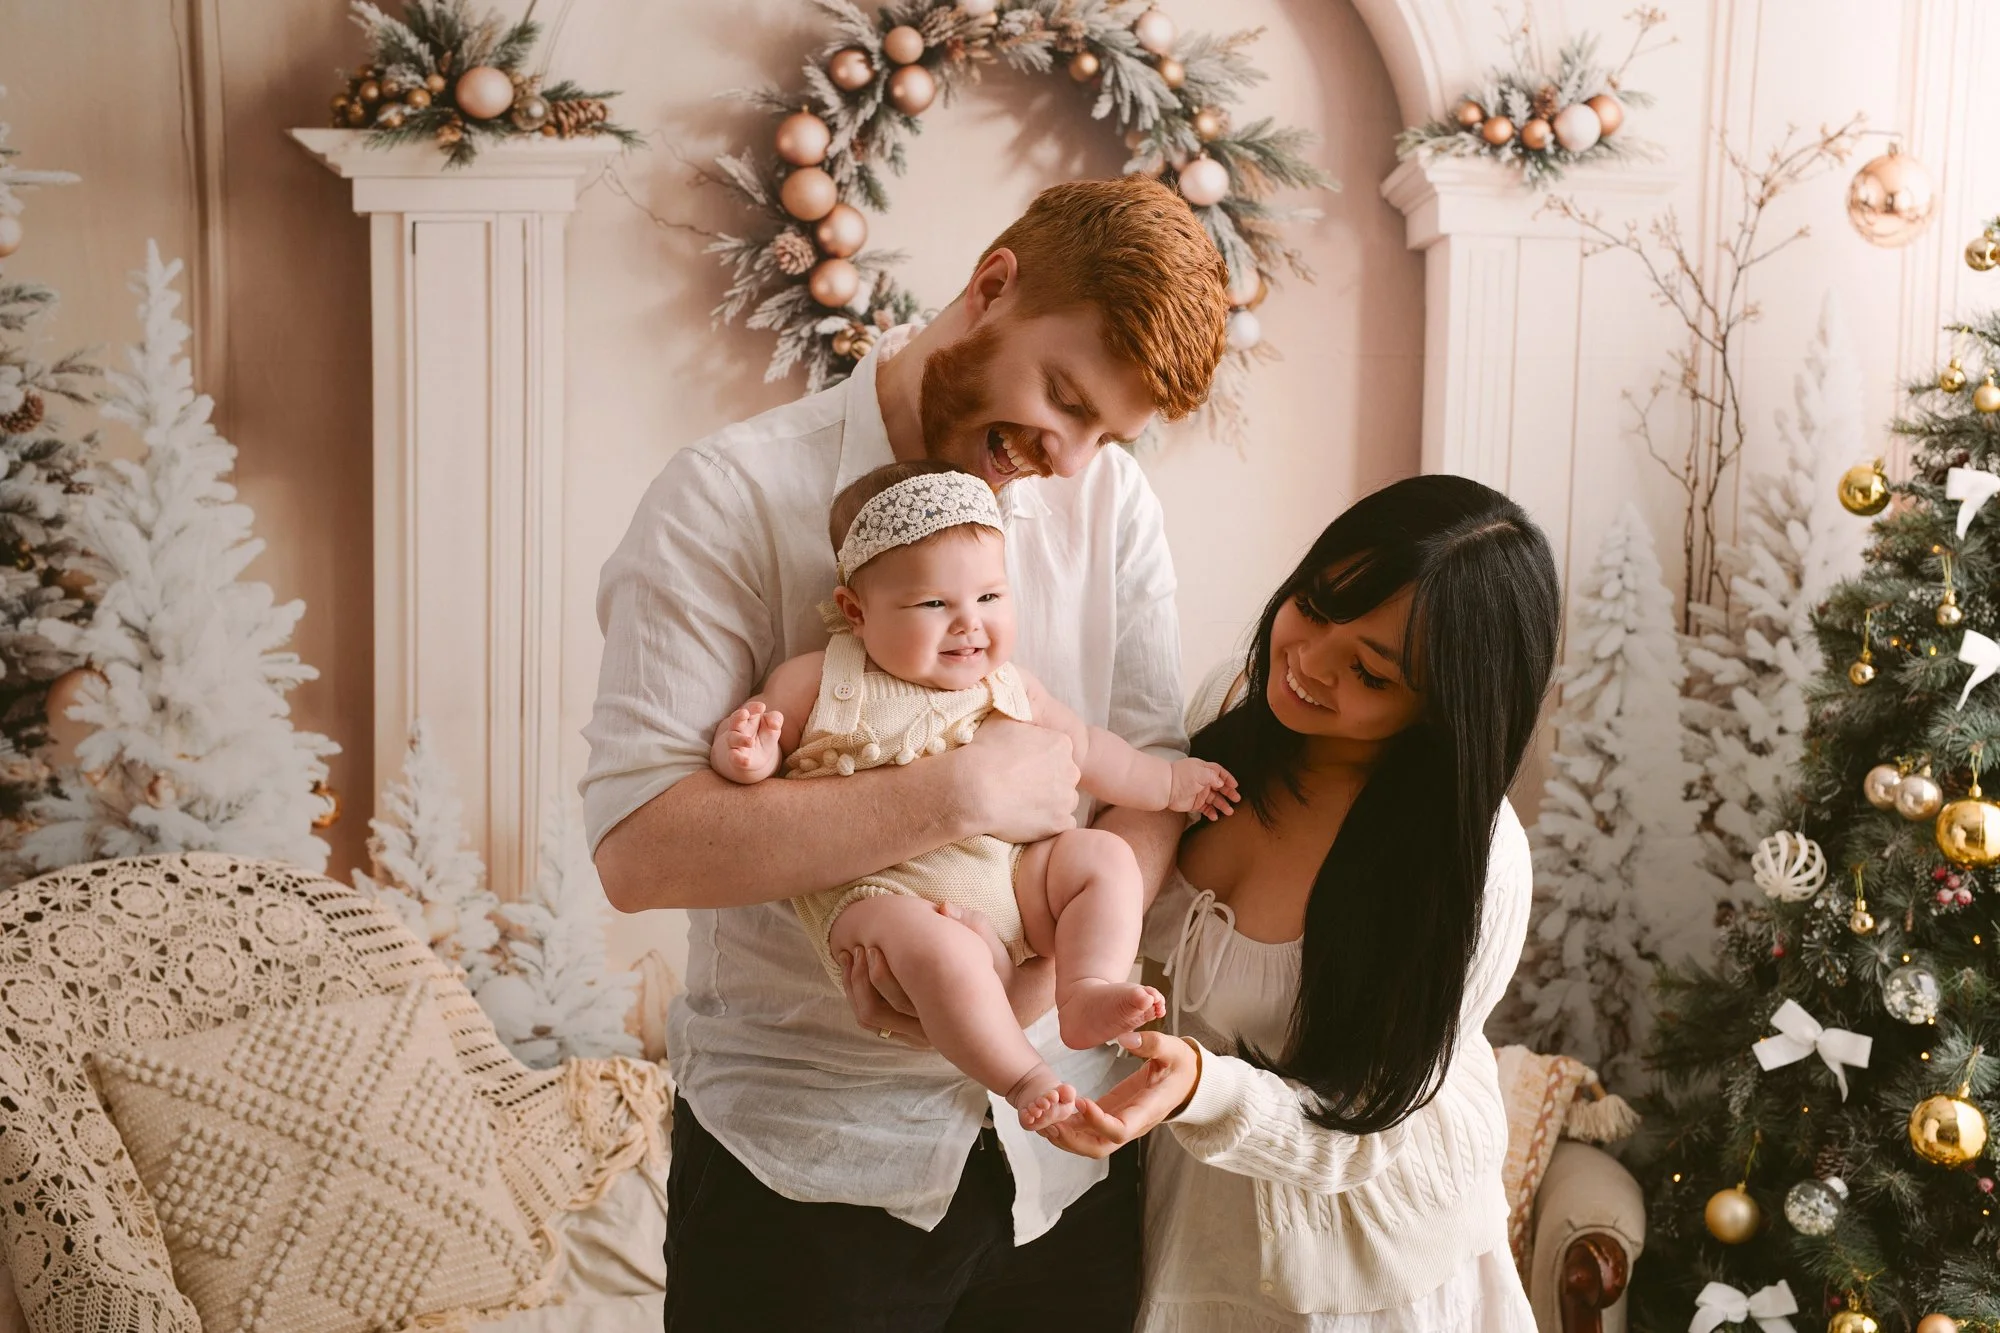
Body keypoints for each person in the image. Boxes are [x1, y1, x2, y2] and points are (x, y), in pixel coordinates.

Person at [582, 174, 1229, 1329]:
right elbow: (642, 852)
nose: (1070, 459)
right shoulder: (724, 499)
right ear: (991, 288)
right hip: (806, 1169)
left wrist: (1028, 983)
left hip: (1065, 1167)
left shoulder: (1110, 503)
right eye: (1062, 397)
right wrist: (960, 789)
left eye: (1104, 432)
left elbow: (1147, 787)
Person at [1029, 475, 1563, 1330]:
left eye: (1370, 671)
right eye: (1315, 607)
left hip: (1362, 1267)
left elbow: (1365, 1123)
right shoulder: (1228, 716)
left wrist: (1201, 1083)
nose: (1310, 663)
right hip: (1186, 1212)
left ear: (1443, 707)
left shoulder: (1470, 861)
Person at [710, 460, 1237, 1131]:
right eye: (934, 604)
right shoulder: (818, 679)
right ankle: (1022, 1075)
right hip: (888, 894)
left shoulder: (1012, 685)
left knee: (1105, 857)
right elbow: (757, 761)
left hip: (1011, 875)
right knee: (945, 954)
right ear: (855, 611)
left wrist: (1168, 784)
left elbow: (1092, 749)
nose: (969, 625)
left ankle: (1085, 989)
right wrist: (749, 754)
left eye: (989, 598)